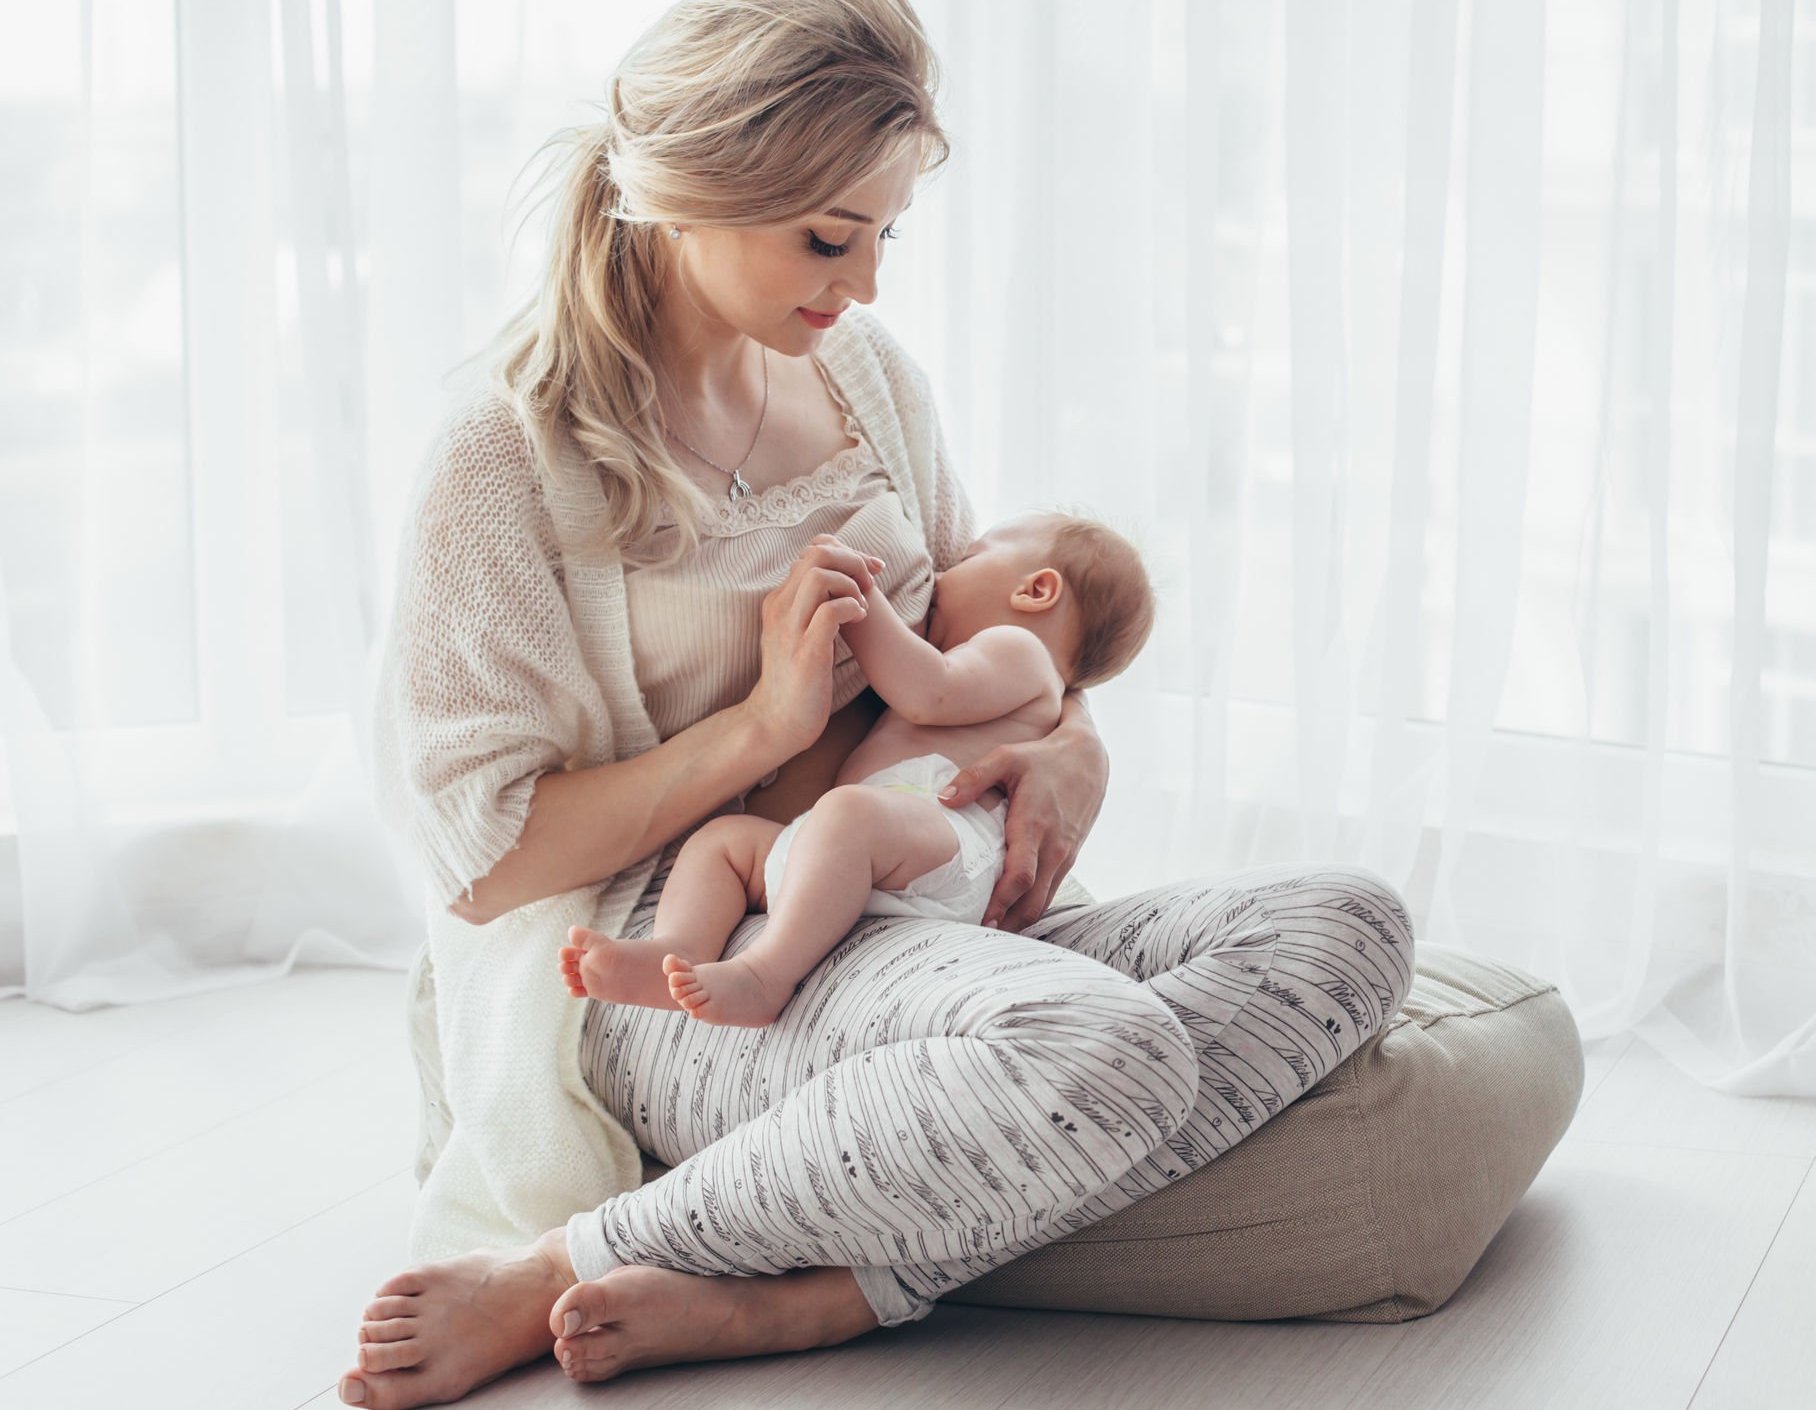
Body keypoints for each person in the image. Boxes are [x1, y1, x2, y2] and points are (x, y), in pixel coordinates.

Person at [343, 1, 1415, 1405]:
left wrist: (1073, 753)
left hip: (920, 905)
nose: (862, 286)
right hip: (685, 943)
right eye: (828, 239)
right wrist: (760, 733)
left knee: (1352, 922)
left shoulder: (863, 380)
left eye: (885, 236)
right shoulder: (504, 454)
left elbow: (1001, 637)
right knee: (1102, 1045)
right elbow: (483, 866)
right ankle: (573, 1262)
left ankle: (843, 1285)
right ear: (690, 192)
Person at [558, 510, 1157, 1028]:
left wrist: (862, 602)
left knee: (847, 814)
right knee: (721, 843)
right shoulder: (1022, 676)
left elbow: (926, 690)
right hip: (854, 854)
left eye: (970, 557)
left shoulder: (1020, 652)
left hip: (943, 844)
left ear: (1036, 590)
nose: (940, 576)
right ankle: (678, 951)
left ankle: (766, 976)